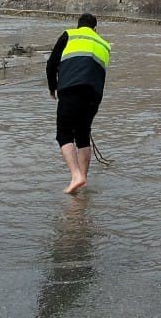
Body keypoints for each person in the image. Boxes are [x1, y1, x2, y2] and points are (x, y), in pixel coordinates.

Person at [46, 13, 112, 194]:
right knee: (83, 134)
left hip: (70, 89)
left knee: (64, 133)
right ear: (95, 29)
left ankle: (76, 175)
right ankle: (83, 177)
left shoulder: (69, 35)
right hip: (94, 94)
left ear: (78, 26)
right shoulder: (104, 44)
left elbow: (51, 64)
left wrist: (53, 88)